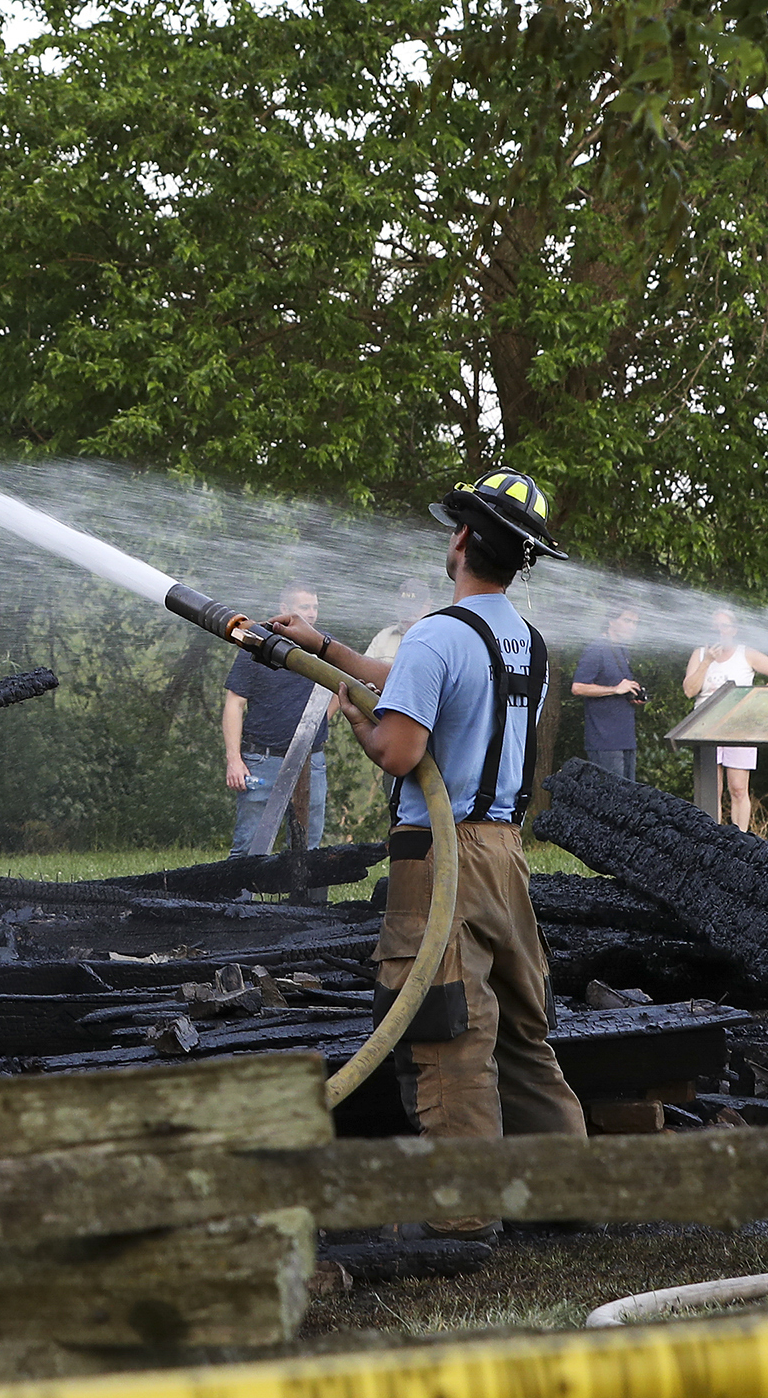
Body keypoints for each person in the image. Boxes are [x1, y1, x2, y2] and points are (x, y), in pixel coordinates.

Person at [244, 468, 586, 1236]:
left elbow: (402, 747)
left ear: (462, 538)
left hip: (442, 859)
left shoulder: (438, 631)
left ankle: (463, 1216)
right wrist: (324, 648)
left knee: (446, 1030)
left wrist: (361, 726)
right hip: (505, 856)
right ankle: (572, 1192)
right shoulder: (521, 639)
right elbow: (417, 682)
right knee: (524, 1034)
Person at [221, 584, 329, 853]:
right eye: (305, 607)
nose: (312, 614)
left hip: (311, 762)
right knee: (249, 848)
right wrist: (234, 760)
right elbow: (234, 703)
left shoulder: (325, 648)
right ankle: (238, 896)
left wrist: (319, 718)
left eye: (315, 607)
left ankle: (300, 897)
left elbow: (340, 689)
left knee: (308, 850)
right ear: (284, 610)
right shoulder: (256, 646)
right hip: (263, 760)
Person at [682, 609, 768, 830]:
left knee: (739, 788)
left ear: (734, 630)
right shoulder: (700, 654)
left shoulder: (745, 653)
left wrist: (755, 700)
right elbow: (689, 691)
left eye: (724, 626)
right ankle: (712, 838)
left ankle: (740, 840)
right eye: (715, 626)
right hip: (705, 726)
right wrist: (707, 661)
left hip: (740, 725)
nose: (719, 631)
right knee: (713, 788)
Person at [570, 607, 647, 781]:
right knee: (611, 799)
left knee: (629, 797)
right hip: (605, 741)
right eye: (627, 621)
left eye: (635, 623)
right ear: (611, 621)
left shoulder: (621, 650)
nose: (632, 626)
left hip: (625, 739)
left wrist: (631, 696)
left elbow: (620, 686)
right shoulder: (597, 649)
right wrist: (614, 690)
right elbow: (578, 687)